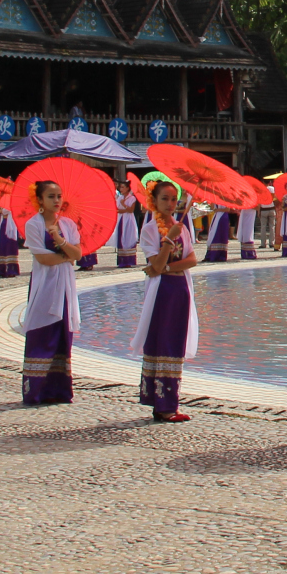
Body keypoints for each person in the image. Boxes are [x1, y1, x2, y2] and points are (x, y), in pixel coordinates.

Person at [133, 180, 199, 422]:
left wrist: (168, 266)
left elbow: (191, 260)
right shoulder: (150, 229)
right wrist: (168, 241)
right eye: (165, 199)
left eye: (174, 199)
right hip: (162, 291)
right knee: (163, 342)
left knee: (175, 343)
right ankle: (163, 404)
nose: (171, 204)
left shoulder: (182, 227)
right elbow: (156, 265)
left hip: (180, 288)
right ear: (154, 201)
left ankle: (170, 401)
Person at [20, 182, 82, 404]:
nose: (56, 201)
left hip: (64, 285)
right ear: (40, 200)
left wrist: (59, 240)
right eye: (51, 196)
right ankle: (36, 389)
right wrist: (67, 255)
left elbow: (78, 253)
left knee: (61, 334)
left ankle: (59, 389)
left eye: (58, 196)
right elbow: (43, 259)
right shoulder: (33, 225)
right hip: (44, 284)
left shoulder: (67, 224)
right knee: (42, 330)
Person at [115, 185, 141, 267]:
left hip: (129, 219)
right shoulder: (120, 197)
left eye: (123, 187)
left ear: (127, 188)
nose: (121, 189)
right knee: (121, 237)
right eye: (121, 187)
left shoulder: (132, 198)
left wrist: (124, 205)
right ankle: (122, 261)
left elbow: (131, 210)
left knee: (128, 237)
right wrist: (123, 209)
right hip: (121, 219)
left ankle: (129, 260)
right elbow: (117, 209)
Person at [0, 204, 21, 278]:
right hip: (3, 223)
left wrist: (1, 210)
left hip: (11, 225)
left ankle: (11, 270)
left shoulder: (12, 201)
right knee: (3, 246)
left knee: (10, 246)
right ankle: (3, 269)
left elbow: (7, 210)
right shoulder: (2, 201)